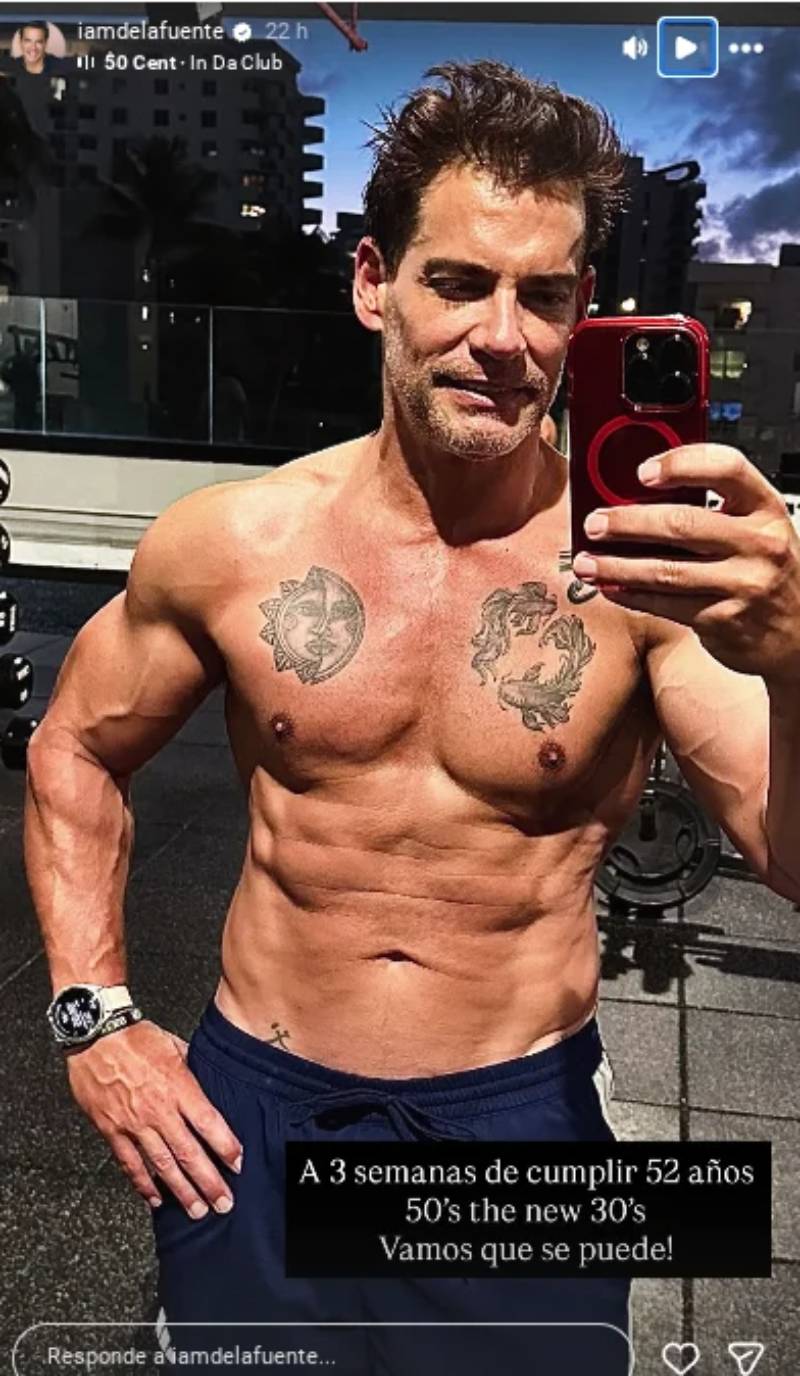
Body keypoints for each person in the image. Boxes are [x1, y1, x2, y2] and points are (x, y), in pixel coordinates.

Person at [24, 59, 800, 1376]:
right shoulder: (233, 543)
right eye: (458, 281)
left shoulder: (649, 577)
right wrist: (94, 1021)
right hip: (255, 1106)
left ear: (582, 311)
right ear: (374, 282)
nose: (503, 337)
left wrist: (794, 662)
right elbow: (76, 749)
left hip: (521, 1123)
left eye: (543, 295)